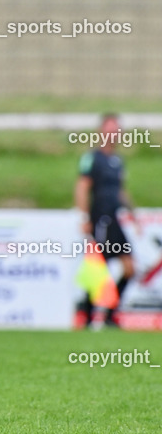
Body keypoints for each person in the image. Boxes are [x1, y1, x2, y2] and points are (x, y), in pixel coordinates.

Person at [74, 113, 140, 328]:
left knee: (129, 268)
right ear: (100, 131)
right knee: (99, 268)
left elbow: (120, 190)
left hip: (115, 218)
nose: (113, 133)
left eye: (116, 129)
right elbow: (82, 187)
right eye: (109, 128)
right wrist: (84, 216)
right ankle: (86, 312)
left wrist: (133, 214)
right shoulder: (92, 158)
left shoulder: (118, 161)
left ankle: (110, 313)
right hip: (100, 218)